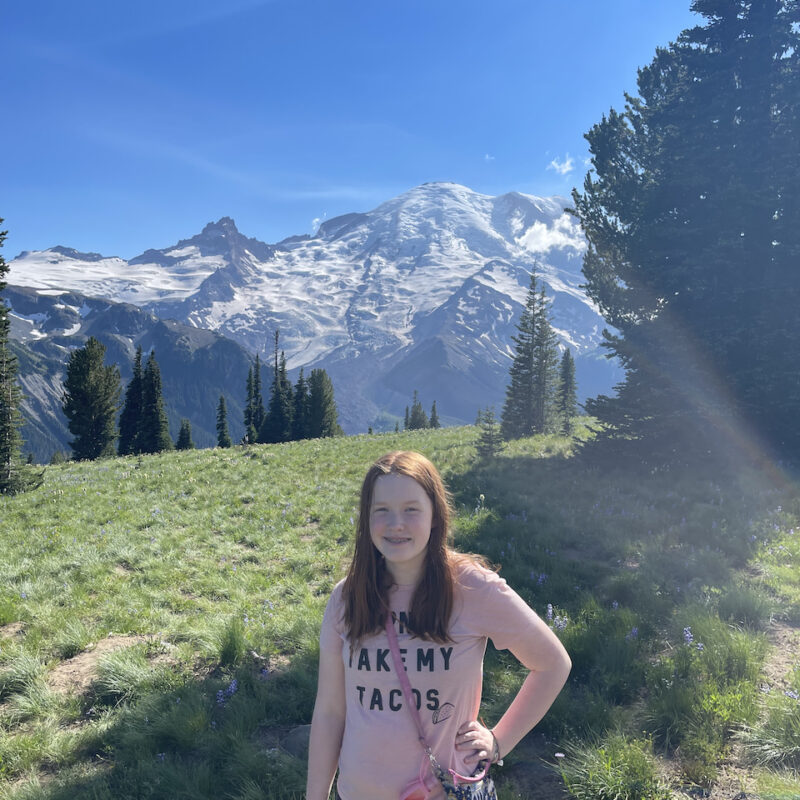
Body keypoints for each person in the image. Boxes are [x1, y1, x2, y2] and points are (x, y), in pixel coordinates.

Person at [306, 451, 571, 800]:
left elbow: (553, 663)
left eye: (411, 509)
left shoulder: (473, 588)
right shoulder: (347, 598)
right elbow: (329, 713)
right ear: (366, 519)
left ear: (434, 515)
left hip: (447, 791)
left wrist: (498, 741)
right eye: (381, 510)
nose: (395, 523)